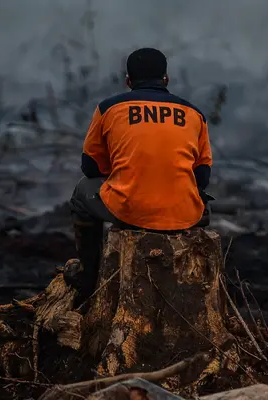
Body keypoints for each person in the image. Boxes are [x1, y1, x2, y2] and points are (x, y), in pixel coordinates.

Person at [68, 47, 214, 309]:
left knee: (82, 192)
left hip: (129, 211)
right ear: (166, 79)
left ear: (128, 81)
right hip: (184, 215)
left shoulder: (109, 108)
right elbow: (202, 177)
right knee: (200, 201)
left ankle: (88, 277)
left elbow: (90, 168)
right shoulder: (195, 114)